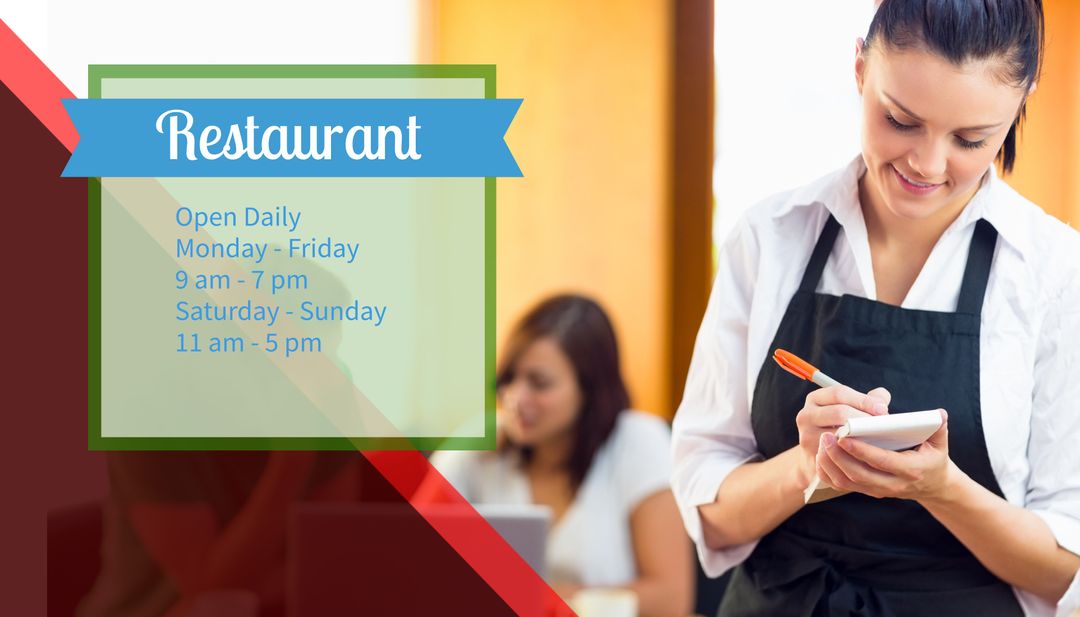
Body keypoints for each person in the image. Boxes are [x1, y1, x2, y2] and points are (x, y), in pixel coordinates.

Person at [670, 1, 1080, 615]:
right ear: (860, 68)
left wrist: (941, 489)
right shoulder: (770, 238)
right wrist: (807, 468)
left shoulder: (1055, 272)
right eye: (900, 120)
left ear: (1021, 104)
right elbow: (711, 519)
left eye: (971, 140)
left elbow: (1065, 572)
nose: (927, 164)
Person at [427, 294, 693, 617]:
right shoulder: (483, 446)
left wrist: (542, 597)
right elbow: (406, 554)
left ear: (589, 389)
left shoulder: (638, 442)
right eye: (509, 379)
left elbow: (670, 600)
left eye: (539, 383)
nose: (516, 398)